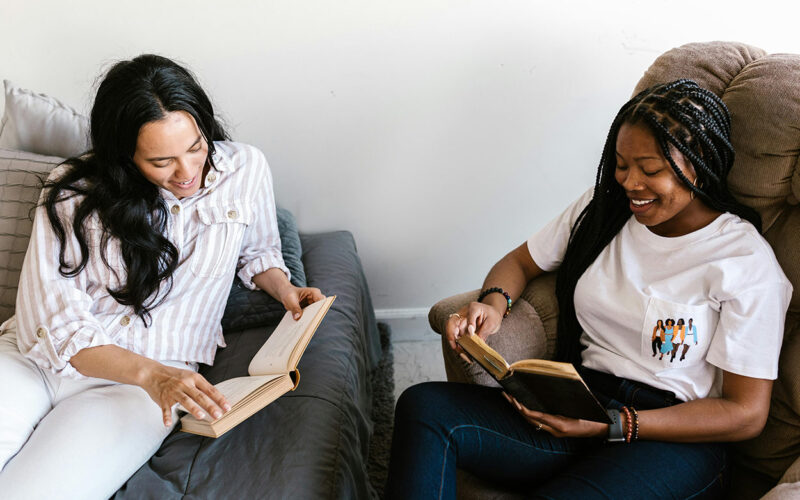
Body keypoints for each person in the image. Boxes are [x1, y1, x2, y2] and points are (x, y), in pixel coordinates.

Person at [386, 80, 792, 499]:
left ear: (698, 160)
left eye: (650, 170)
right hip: (580, 401)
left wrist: (617, 425)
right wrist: (493, 302)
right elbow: (521, 261)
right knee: (425, 408)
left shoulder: (743, 263)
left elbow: (745, 414)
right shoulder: (603, 212)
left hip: (673, 438)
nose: (630, 183)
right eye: (621, 164)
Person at [0, 55, 323, 499]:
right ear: (125, 156)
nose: (187, 173)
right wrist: (153, 374)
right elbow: (50, 321)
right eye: (161, 161)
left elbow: (257, 250)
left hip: (138, 393)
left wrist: (284, 289)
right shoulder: (72, 191)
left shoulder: (245, 169)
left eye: (195, 147)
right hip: (33, 361)